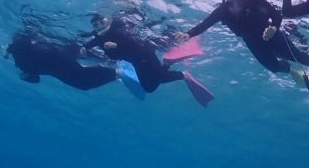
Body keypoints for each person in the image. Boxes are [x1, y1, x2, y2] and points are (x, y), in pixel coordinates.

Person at [177, 0, 309, 104]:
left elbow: (276, 15)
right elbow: (206, 23)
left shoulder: (255, 0)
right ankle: (292, 71)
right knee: (273, 67)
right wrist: (189, 34)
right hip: (253, 43)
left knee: (296, 55)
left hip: (273, 37)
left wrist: (273, 28)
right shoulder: (223, 10)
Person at [83, 15, 214, 107]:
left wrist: (116, 45)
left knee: (153, 83)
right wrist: (84, 48)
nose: (99, 26)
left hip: (144, 54)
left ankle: (183, 75)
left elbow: (131, 40)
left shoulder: (116, 30)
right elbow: (94, 41)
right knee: (149, 86)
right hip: (137, 61)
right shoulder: (99, 37)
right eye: (96, 25)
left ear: (106, 21)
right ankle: (168, 64)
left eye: (101, 22)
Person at [5, 29, 117, 90]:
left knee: (83, 83)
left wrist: (9, 50)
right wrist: (9, 50)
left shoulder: (23, 63)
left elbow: (21, 43)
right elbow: (23, 43)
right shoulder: (26, 65)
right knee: (88, 54)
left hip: (58, 61)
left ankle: (116, 72)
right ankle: (116, 57)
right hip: (60, 53)